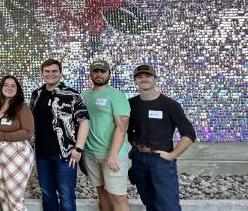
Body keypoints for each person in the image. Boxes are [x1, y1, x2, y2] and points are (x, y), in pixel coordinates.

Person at [127, 64, 196, 211]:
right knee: (149, 202)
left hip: (161, 160)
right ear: (135, 81)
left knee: (168, 205)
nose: (144, 79)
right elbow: (124, 129)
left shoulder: (170, 105)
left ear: (155, 79)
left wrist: (172, 155)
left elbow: (189, 133)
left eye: (148, 76)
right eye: (139, 77)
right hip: (138, 159)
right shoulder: (131, 104)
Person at [29, 59, 90, 211]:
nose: (51, 74)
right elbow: (32, 122)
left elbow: (84, 122)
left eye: (54, 71)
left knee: (66, 194)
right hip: (42, 154)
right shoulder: (36, 94)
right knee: (47, 193)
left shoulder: (72, 95)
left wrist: (78, 149)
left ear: (61, 73)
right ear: (42, 74)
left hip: (66, 154)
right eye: (47, 71)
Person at [81, 60, 131, 211]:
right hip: (90, 154)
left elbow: (122, 126)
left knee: (118, 196)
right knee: (101, 192)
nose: (99, 74)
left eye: (102, 71)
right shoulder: (84, 96)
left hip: (112, 155)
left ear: (109, 73)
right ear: (90, 74)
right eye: (95, 71)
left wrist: (113, 154)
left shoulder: (116, 95)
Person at [0, 75, 34, 211]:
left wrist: (3, 135)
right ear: (1, 88)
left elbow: (28, 131)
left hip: (18, 153)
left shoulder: (22, 107)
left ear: (18, 89)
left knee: (15, 197)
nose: (9, 88)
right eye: (6, 85)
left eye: (13, 85)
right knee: (3, 194)